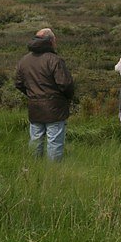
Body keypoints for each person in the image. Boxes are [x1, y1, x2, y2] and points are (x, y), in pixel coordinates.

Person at [15, 28, 75, 161]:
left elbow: (18, 83)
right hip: (55, 108)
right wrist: (68, 97)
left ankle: (33, 169)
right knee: (54, 142)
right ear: (51, 41)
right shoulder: (54, 60)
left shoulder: (24, 60)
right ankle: (52, 174)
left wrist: (32, 94)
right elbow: (65, 84)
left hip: (34, 107)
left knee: (35, 140)